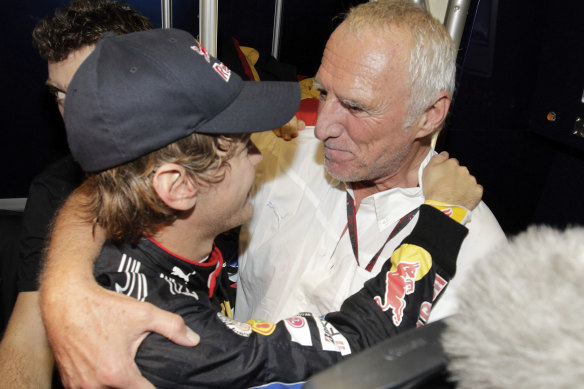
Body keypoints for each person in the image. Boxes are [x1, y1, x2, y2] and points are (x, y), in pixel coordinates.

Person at [39, 0, 505, 387]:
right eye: (322, 93)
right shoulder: (169, 334)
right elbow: (356, 343)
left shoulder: (483, 252)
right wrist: (63, 289)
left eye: (356, 106)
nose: (319, 127)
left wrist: (65, 287)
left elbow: (117, 180)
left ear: (430, 113)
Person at [0, 1, 152, 387]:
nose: (70, 113)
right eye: (59, 95)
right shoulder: (55, 188)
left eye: (86, 90)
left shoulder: (208, 165)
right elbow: (29, 340)